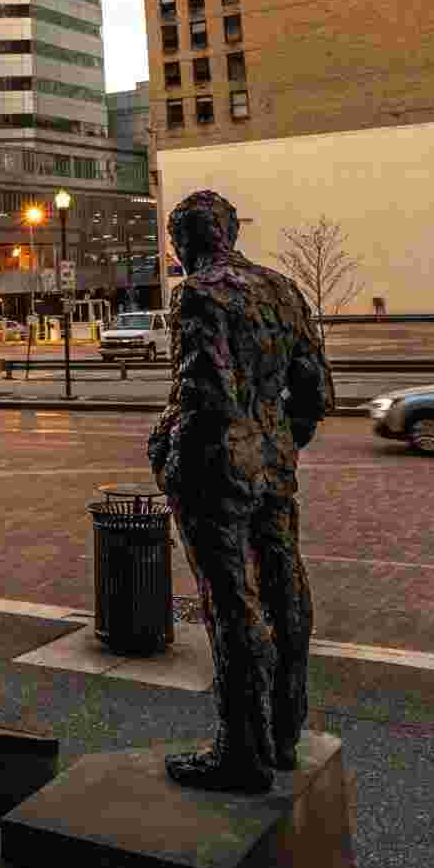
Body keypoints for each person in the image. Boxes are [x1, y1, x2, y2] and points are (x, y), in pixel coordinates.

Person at [147, 189, 333, 794]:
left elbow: (202, 391)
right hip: (272, 459)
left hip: (217, 463)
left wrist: (172, 448)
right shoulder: (281, 289)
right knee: (285, 584)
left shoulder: (200, 293)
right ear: (230, 231)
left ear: (183, 244)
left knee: (230, 601)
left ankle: (243, 752)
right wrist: (278, 443)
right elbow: (316, 391)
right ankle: (284, 730)